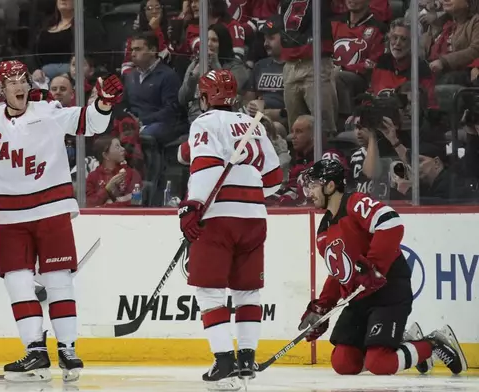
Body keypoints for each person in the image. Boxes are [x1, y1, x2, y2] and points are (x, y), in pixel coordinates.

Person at [0, 60, 123, 382]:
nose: (19, 85)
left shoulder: (49, 112)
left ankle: (67, 349)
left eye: (22, 79)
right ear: (0, 89)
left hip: (51, 209)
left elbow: (91, 123)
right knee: (18, 283)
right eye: (11, 81)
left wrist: (104, 103)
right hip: (10, 217)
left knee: (58, 282)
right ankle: (35, 351)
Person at [298, 158, 468, 376]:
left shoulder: (355, 203)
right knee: (343, 363)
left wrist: (374, 268)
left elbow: (391, 222)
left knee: (380, 363)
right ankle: (404, 342)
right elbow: (340, 273)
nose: (308, 192)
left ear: (330, 186)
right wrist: (322, 308)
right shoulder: (323, 231)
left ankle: (434, 343)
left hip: (389, 289)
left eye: (313, 185)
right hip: (361, 298)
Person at [178, 69, 283, 389]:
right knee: (247, 290)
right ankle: (247, 361)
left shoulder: (205, 122)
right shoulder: (253, 125)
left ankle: (224, 361)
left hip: (219, 217)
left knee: (210, 291)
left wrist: (192, 205)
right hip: (254, 217)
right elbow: (275, 180)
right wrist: (246, 188)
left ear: (206, 97)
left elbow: (207, 167)